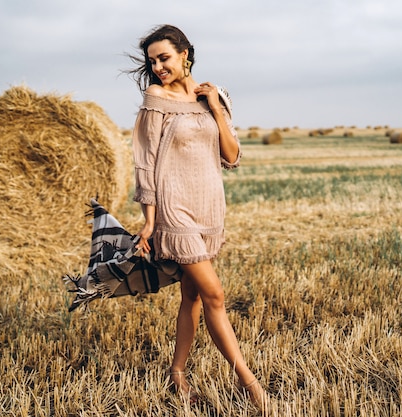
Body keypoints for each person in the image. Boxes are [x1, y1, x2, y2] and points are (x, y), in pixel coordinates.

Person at [127, 24, 269, 412]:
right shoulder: (155, 98)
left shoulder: (213, 94)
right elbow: (146, 161)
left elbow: (232, 157)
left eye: (164, 58)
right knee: (214, 295)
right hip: (175, 209)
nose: (157, 67)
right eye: (152, 60)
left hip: (209, 205)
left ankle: (177, 372)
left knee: (190, 295)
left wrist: (218, 109)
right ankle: (249, 382)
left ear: (185, 53)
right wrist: (149, 220)